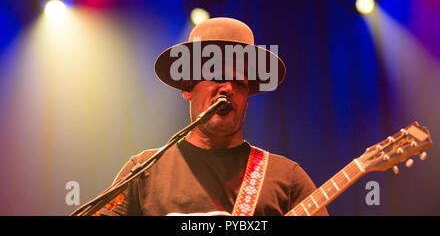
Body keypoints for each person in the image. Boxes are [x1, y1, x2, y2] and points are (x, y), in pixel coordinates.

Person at [98, 17, 328, 216]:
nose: (229, 88)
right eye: (218, 77)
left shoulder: (287, 178)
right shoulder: (143, 171)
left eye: (240, 82)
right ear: (188, 87)